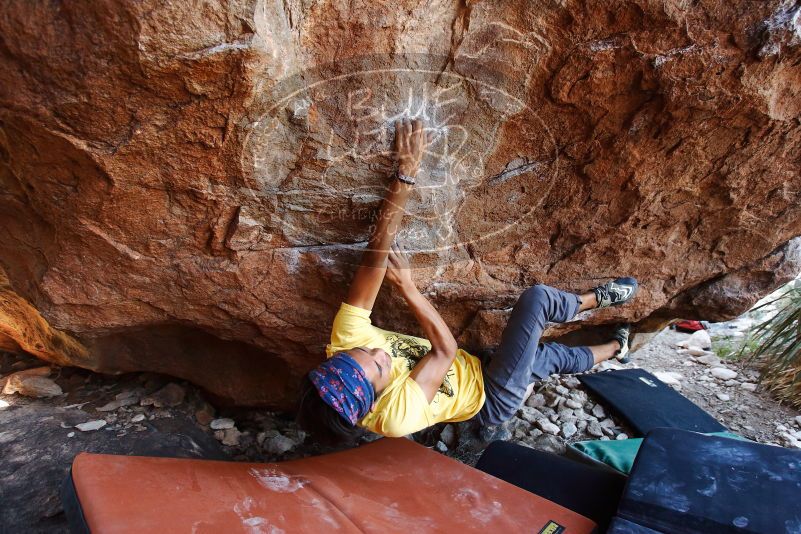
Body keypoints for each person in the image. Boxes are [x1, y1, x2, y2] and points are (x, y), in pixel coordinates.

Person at [296, 118, 638, 446]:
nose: (376, 350)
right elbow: (445, 350)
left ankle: (615, 349)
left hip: (477, 364)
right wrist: (408, 289)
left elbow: (374, 258)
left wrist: (406, 175)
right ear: (371, 405)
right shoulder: (394, 417)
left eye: (363, 350)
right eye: (379, 363)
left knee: (548, 359)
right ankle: (594, 300)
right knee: (537, 301)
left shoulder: (344, 344)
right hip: (490, 397)